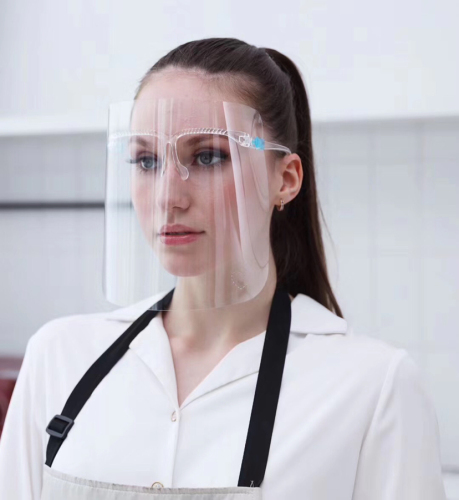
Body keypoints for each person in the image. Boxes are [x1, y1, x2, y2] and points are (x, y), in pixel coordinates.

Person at [0, 37, 446, 499]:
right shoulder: (60, 356)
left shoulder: (373, 388)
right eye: (146, 160)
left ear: (286, 179)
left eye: (208, 156)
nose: (168, 197)